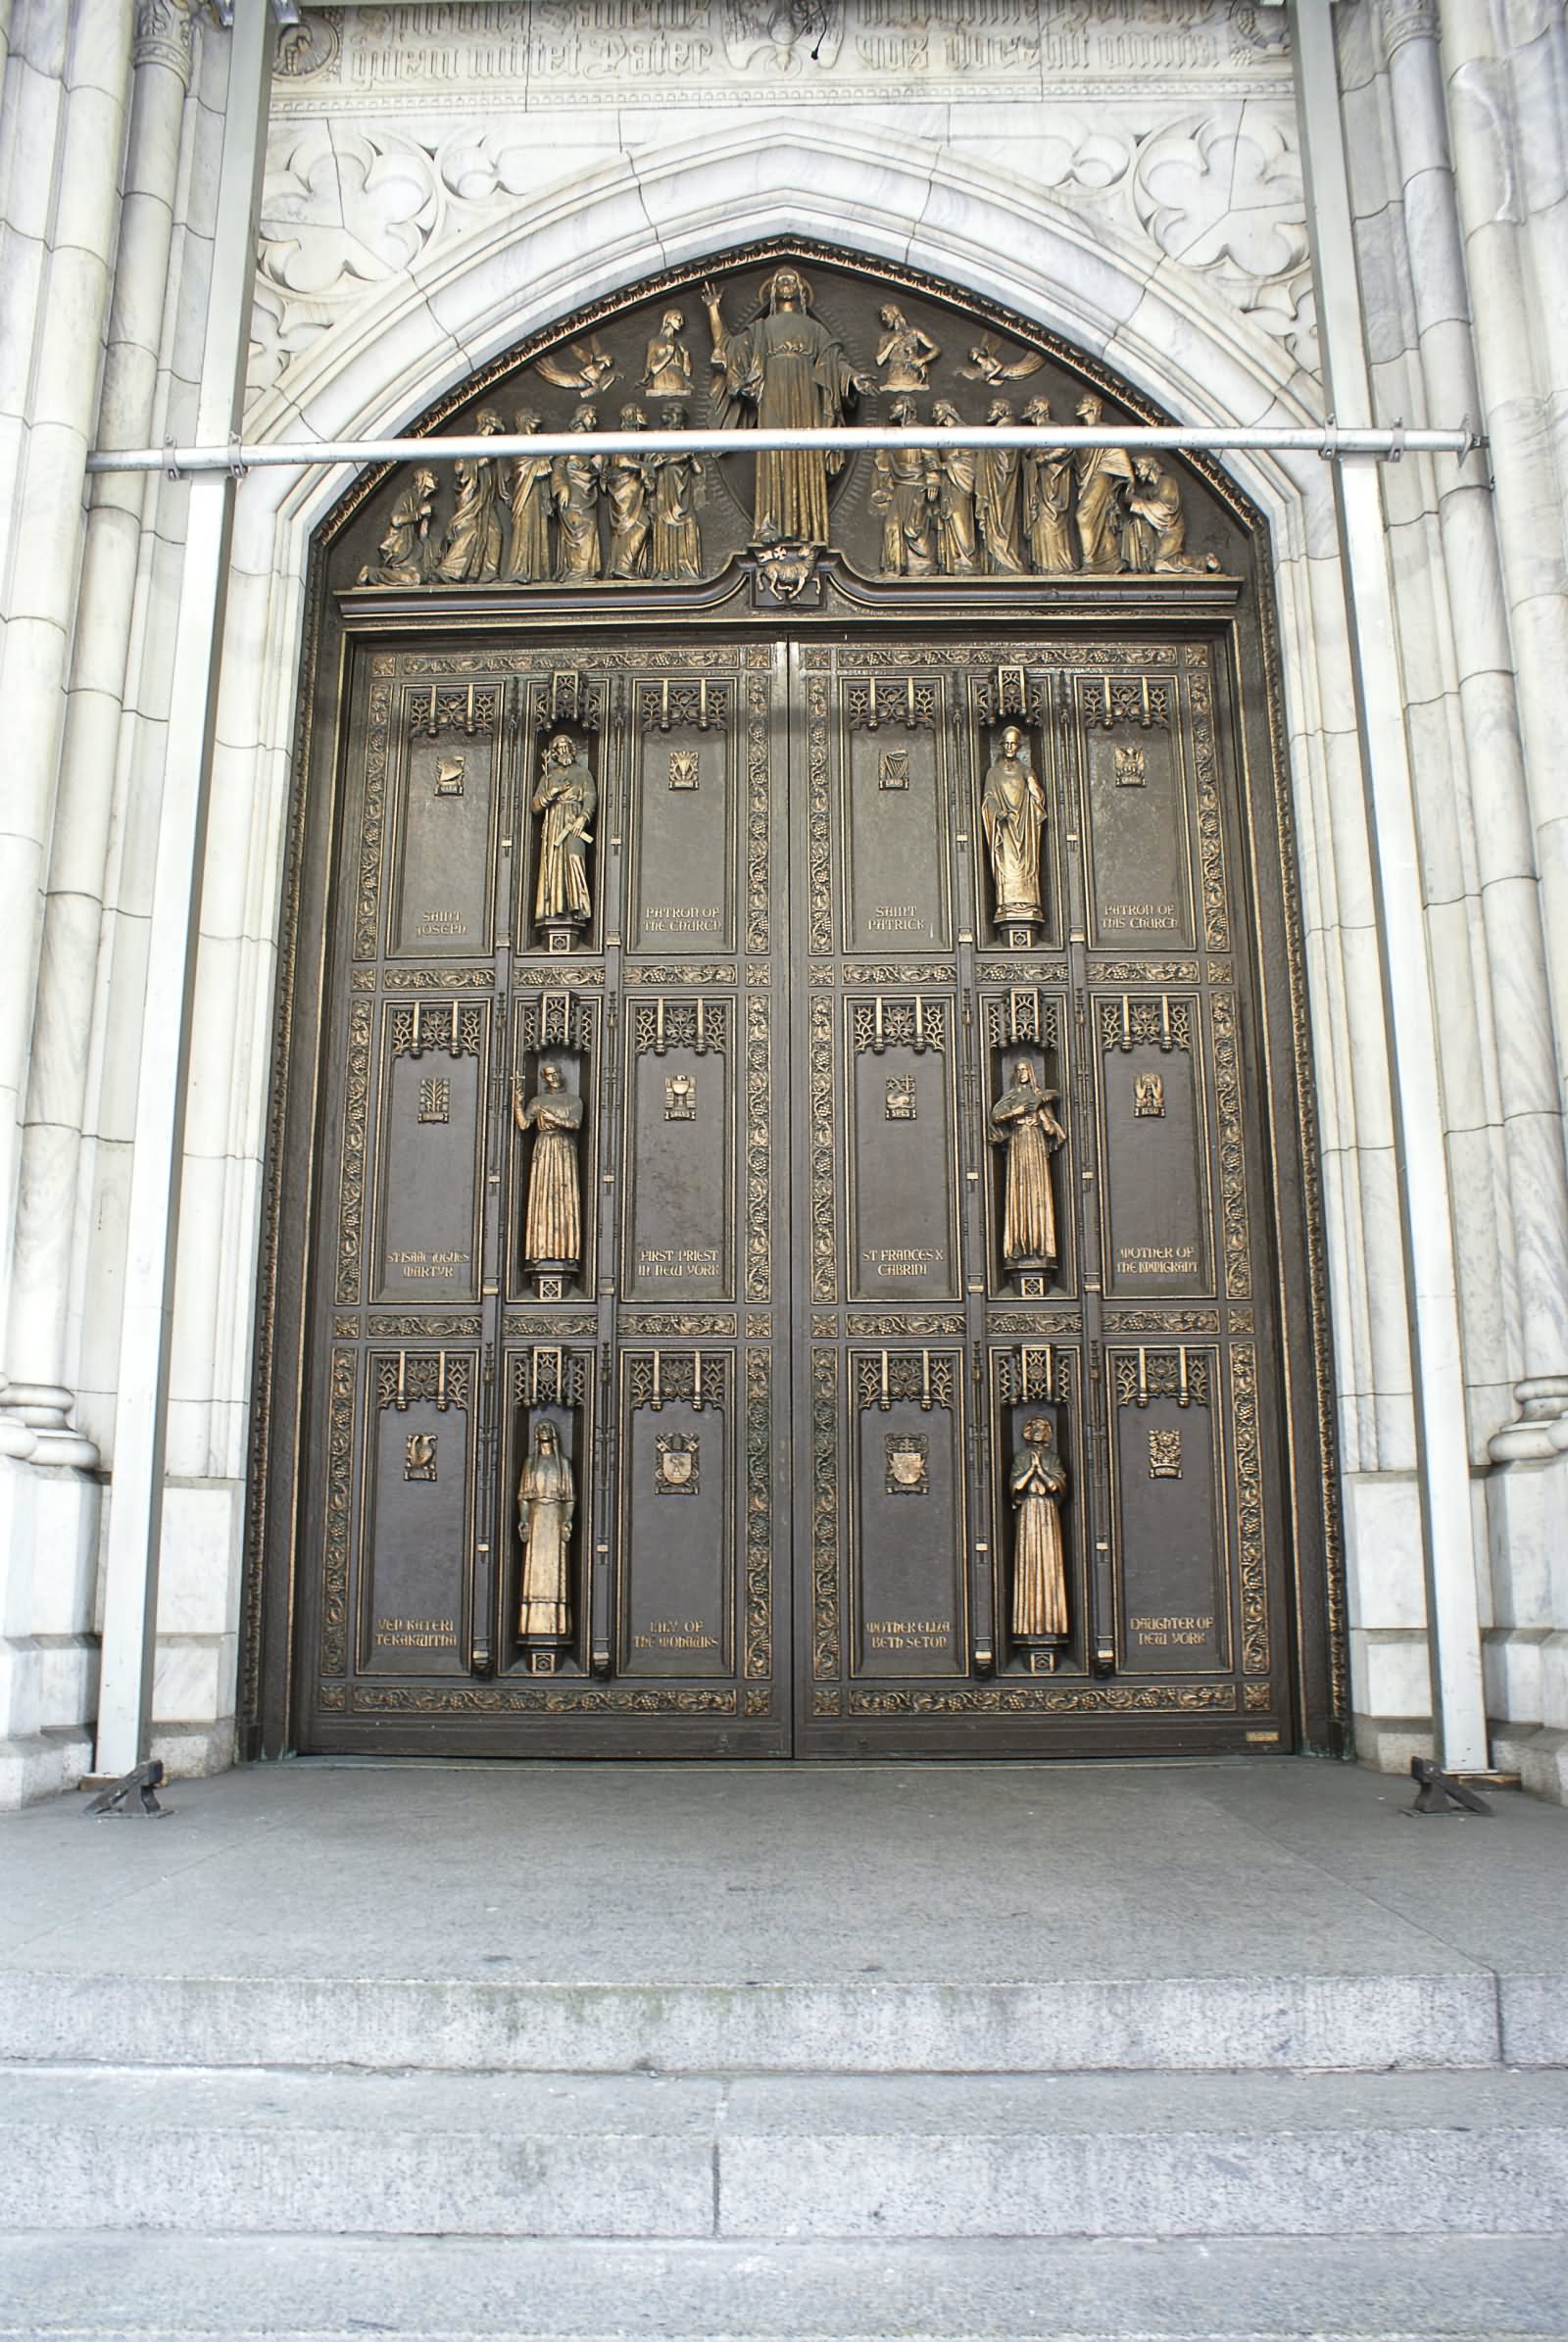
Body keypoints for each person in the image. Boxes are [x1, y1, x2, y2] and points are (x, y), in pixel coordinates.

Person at [702, 266, 866, 545]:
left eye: (792, 280)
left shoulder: (814, 329)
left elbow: (834, 361)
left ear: (800, 290)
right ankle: (772, 523)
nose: (787, 284)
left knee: (806, 454)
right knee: (775, 453)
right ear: (774, 290)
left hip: (807, 400)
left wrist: (853, 379)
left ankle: (808, 530)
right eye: (782, 281)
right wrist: (713, 310)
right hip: (773, 397)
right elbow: (729, 351)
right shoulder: (761, 329)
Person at [989, 1059, 1065, 1267]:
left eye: (1025, 1069)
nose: (1022, 1073)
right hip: (1018, 1143)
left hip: (1036, 1145)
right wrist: (1017, 1112)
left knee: (1037, 1190)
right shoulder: (1012, 1096)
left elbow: (1052, 1130)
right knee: (1019, 1189)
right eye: (1018, 1070)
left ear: (1031, 1072)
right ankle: (1018, 1245)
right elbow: (995, 1116)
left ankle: (1042, 1246)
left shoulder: (1039, 1094)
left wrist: (1042, 1118)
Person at [515, 1061, 584, 1269]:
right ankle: (539, 1250)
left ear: (561, 1074)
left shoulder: (574, 1101)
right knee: (543, 1196)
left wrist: (554, 1119)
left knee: (565, 1199)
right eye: (548, 1074)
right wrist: (518, 1104)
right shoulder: (537, 1101)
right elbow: (524, 1124)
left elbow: (575, 1124)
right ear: (543, 1078)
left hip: (564, 1148)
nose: (553, 1077)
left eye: (556, 1073)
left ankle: (568, 1252)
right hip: (544, 1147)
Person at [1009, 1417, 1068, 1643]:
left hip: (1047, 1511)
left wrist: (1041, 1470)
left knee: (1050, 1562)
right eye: (1033, 1427)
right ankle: (1026, 1626)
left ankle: (1053, 1624)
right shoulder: (1021, 1457)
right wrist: (1030, 1470)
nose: (1037, 1431)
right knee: (1029, 1561)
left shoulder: (1053, 1458)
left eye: (1042, 1428)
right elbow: (1015, 1488)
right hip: (1029, 1511)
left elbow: (1056, 1486)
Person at [981, 724, 1047, 925]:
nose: (1010, 747)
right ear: (1002, 745)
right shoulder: (993, 773)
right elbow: (988, 799)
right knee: (1006, 865)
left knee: (1026, 864)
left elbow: (1038, 798)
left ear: (1018, 746)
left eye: (1013, 744)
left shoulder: (1027, 771)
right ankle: (1006, 905)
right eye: (1007, 743)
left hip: (1024, 829)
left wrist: (1033, 786)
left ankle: (1029, 905)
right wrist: (999, 812)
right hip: (1005, 829)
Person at [516, 1419, 574, 1640]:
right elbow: (523, 1496)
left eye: (547, 1428)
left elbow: (569, 1498)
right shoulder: (531, 1463)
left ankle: (557, 1623)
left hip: (555, 1517)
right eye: (540, 1428)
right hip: (537, 1516)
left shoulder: (564, 1465)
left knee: (555, 1569)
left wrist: (567, 1520)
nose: (543, 1431)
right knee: (535, 1567)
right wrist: (524, 1520)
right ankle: (531, 1622)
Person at [532, 732, 595, 929]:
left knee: (575, 859)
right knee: (553, 864)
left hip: (574, 823)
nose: (564, 750)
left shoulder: (583, 773)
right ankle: (553, 909)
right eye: (560, 748)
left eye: (567, 746)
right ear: (554, 752)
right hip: (554, 824)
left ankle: (578, 908)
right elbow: (535, 806)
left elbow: (591, 797)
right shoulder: (549, 776)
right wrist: (551, 793)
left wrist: (583, 818)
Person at [869, 399, 937, 575]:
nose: (892, 407)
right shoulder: (896, 434)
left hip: (916, 486)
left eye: (897, 403)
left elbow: (930, 455)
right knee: (891, 526)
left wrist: (933, 480)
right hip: (900, 488)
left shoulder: (919, 431)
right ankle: (893, 567)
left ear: (907, 407)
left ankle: (923, 567)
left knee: (915, 528)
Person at [436, 410, 505, 582]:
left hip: (486, 501)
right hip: (471, 497)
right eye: (496, 418)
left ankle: (487, 575)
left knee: (494, 531)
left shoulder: (494, 447)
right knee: (470, 530)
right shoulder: (471, 443)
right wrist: (479, 463)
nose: (499, 420)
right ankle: (449, 569)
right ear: (487, 421)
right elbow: (459, 468)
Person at [1073, 392, 1134, 571]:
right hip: (1086, 480)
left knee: (1083, 515)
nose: (1078, 406)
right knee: (1097, 518)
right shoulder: (1079, 434)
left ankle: (1090, 562)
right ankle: (1111, 561)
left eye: (1082, 402)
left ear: (1093, 407)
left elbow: (1118, 456)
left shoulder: (1105, 430)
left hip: (1102, 475)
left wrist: (1129, 482)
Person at [358, 466, 438, 586]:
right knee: (415, 578)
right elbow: (396, 520)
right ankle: (370, 574)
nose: (435, 479)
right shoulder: (407, 496)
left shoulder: (422, 501)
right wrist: (419, 513)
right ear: (422, 479)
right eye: (431, 476)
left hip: (412, 548)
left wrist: (426, 519)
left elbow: (422, 535)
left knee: (420, 577)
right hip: (400, 546)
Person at [1021, 397, 1073, 574]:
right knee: (1041, 521)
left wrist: (1044, 459)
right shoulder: (1038, 430)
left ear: (1038, 409)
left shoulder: (1051, 428)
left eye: (1030, 405)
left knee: (1049, 519)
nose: (1027, 408)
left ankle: (1057, 564)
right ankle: (1044, 564)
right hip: (1039, 482)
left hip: (1050, 483)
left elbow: (1064, 447)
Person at [652, 406, 705, 580]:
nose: (680, 421)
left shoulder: (686, 442)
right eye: (677, 416)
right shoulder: (658, 440)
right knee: (665, 520)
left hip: (683, 493)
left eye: (682, 417)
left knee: (688, 521)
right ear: (668, 417)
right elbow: (652, 462)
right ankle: (664, 568)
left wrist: (690, 458)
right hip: (666, 490)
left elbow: (697, 469)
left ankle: (686, 567)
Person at [975, 398, 1026, 573]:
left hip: (1000, 485)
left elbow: (1005, 461)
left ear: (1003, 411)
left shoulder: (1007, 430)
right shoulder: (1001, 430)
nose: (989, 413)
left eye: (993, 409)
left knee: (1002, 520)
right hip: (995, 484)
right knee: (997, 520)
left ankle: (1005, 560)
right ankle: (1000, 560)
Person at [553, 407, 603, 581]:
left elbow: (591, 470)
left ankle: (584, 571)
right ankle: (577, 572)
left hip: (586, 495)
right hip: (572, 495)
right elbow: (559, 464)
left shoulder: (589, 446)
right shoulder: (569, 439)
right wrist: (562, 487)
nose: (594, 421)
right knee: (580, 528)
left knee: (589, 527)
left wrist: (597, 465)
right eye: (591, 417)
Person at [929, 399, 977, 575]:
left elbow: (968, 459)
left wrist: (944, 466)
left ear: (947, 411)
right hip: (948, 483)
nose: (934, 415)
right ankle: (955, 561)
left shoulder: (962, 431)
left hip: (960, 482)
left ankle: (967, 560)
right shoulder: (946, 433)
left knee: (959, 518)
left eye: (936, 410)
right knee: (949, 518)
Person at [607, 404, 655, 579]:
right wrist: (645, 467)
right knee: (640, 524)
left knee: (641, 524)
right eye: (640, 412)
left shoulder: (635, 437)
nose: (643, 415)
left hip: (632, 490)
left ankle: (627, 565)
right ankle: (623, 565)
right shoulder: (624, 437)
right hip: (624, 490)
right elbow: (622, 460)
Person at [504, 410, 553, 582]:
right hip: (524, 494)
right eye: (533, 423)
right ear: (525, 421)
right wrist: (547, 458)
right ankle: (520, 569)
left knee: (538, 526)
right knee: (524, 528)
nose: (536, 428)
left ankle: (537, 571)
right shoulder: (519, 444)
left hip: (536, 493)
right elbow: (522, 467)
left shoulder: (534, 445)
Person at [875, 303, 941, 391]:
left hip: (912, 379)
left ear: (893, 314)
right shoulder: (885, 338)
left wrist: (922, 360)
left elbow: (936, 349)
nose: (883, 319)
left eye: (885, 315)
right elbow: (879, 361)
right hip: (893, 381)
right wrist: (892, 343)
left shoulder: (914, 332)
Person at [640, 309, 693, 399]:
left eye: (682, 320)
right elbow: (653, 369)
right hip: (661, 386)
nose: (682, 323)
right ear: (668, 319)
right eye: (678, 319)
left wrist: (686, 354)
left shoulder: (679, 344)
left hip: (679, 387)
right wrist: (668, 355)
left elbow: (687, 373)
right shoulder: (654, 342)